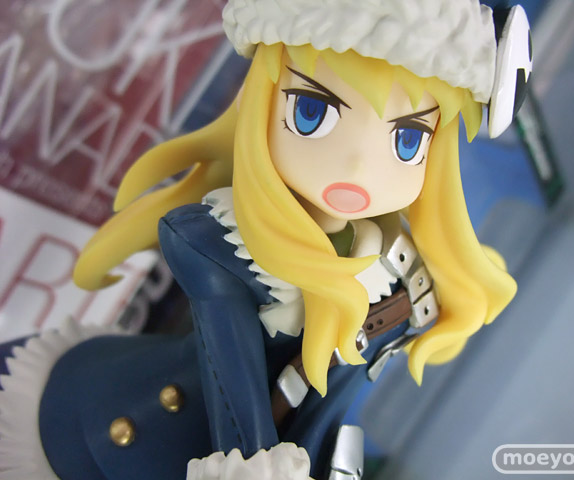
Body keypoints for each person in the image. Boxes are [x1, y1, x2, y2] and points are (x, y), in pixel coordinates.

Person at [0, 1, 529, 479]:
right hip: (89, 437)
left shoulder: (395, 267)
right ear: (262, 103)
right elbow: (237, 406)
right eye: (312, 112)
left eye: (407, 139)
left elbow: (339, 393)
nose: (357, 167)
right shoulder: (216, 245)